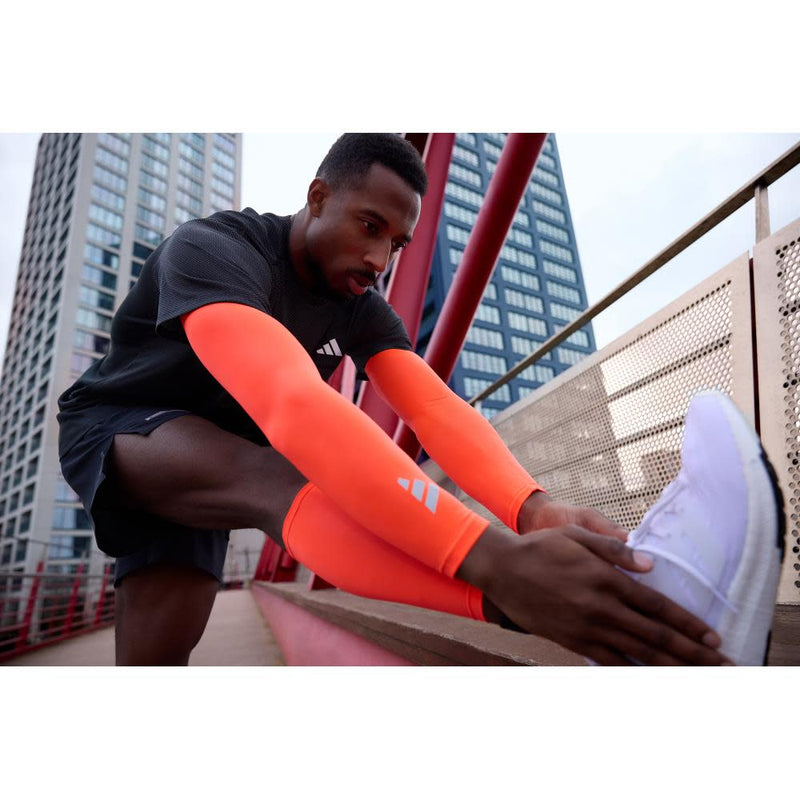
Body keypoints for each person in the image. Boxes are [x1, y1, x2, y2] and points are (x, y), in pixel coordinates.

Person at [57, 133, 781, 666]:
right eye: (369, 227)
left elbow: (434, 411)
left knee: (154, 664)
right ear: (318, 198)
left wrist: (531, 509)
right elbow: (290, 405)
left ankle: (615, 628)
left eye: (398, 244)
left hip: (217, 460)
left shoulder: (359, 303)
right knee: (279, 477)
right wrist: (497, 561)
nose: (379, 259)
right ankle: (523, 602)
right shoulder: (216, 249)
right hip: (118, 427)